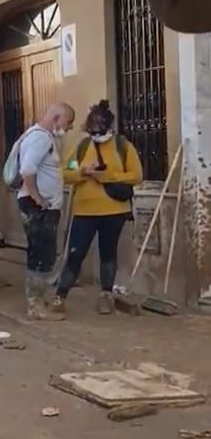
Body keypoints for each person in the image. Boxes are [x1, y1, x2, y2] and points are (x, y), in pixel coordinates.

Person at [55, 99, 143, 315]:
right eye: (92, 131)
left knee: (108, 253)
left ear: (110, 127)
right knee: (75, 254)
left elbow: (136, 175)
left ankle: (106, 295)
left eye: (100, 131)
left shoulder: (123, 146)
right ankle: (60, 296)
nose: (97, 135)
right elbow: (64, 173)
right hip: (84, 212)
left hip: (114, 211)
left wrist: (108, 176)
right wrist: (83, 172)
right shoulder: (82, 147)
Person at [14, 101, 76, 320]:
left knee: (43, 253)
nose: (69, 127)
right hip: (38, 207)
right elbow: (27, 170)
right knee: (41, 254)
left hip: (41, 206)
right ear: (56, 118)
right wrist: (37, 198)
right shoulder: (40, 138)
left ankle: (38, 300)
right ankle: (35, 305)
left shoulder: (42, 137)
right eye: (68, 122)